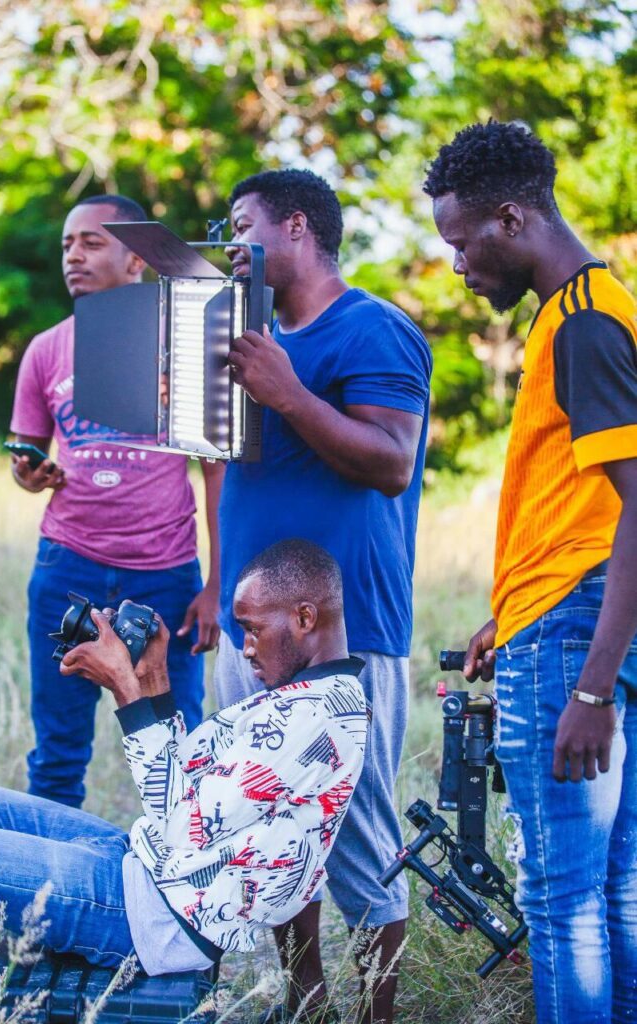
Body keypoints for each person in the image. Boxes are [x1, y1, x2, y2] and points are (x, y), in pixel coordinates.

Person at [424, 120, 637, 1023]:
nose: (458, 266)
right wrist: (506, 614)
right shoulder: (587, 306)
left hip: (577, 639)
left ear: (512, 219)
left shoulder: (584, 322)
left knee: (561, 898)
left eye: (463, 242)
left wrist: (591, 688)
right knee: (614, 886)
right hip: (570, 614)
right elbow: (583, 508)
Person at [218, 169, 432, 1024]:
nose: (232, 246)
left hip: (344, 632)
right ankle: (306, 1007)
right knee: (274, 832)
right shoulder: (251, 337)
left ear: (297, 227)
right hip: (250, 630)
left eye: (243, 226)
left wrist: (288, 392)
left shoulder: (374, 328)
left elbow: (391, 462)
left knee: (357, 835)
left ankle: (377, 1018)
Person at [0, 540, 368, 982]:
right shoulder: (310, 697)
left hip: (152, 915)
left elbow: (185, 828)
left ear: (304, 618)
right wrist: (152, 676)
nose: (247, 648)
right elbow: (189, 781)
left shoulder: (314, 717)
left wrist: (125, 689)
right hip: (142, 865)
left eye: (253, 629)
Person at [9, 194, 224, 809]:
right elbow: (26, 459)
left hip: (165, 575)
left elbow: (215, 471)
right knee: (58, 753)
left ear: (137, 260)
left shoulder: (181, 345)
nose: (73, 256)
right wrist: (31, 475)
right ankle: (47, 870)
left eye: (91, 242)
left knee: (177, 747)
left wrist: (216, 581)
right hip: (67, 566)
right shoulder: (47, 348)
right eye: (66, 245)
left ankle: (181, 865)